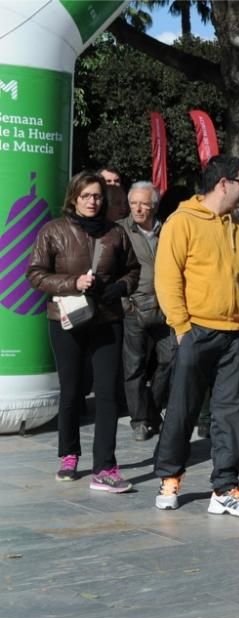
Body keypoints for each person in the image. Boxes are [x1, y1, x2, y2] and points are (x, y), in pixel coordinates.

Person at [153, 155, 239, 517]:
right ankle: (170, 477)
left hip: (233, 334)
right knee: (182, 409)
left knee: (231, 412)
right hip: (195, 331)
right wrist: (183, 329)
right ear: (223, 184)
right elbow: (168, 279)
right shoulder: (181, 221)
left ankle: (225, 487)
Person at [27, 172, 139, 490]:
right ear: (74, 197)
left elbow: (133, 269)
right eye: (87, 195)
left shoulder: (115, 233)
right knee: (72, 391)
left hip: (107, 320)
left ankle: (105, 466)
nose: (93, 201)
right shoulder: (54, 231)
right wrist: (72, 283)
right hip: (66, 320)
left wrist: (120, 287)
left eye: (98, 196)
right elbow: (35, 274)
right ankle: (69, 454)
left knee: (106, 394)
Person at [118, 181, 175, 442]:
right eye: (133, 203)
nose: (138, 208)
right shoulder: (120, 230)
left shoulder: (169, 229)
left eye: (143, 203)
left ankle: (152, 409)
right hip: (135, 306)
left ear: (154, 204)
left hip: (165, 307)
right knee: (134, 366)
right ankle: (140, 420)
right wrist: (125, 303)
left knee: (170, 359)